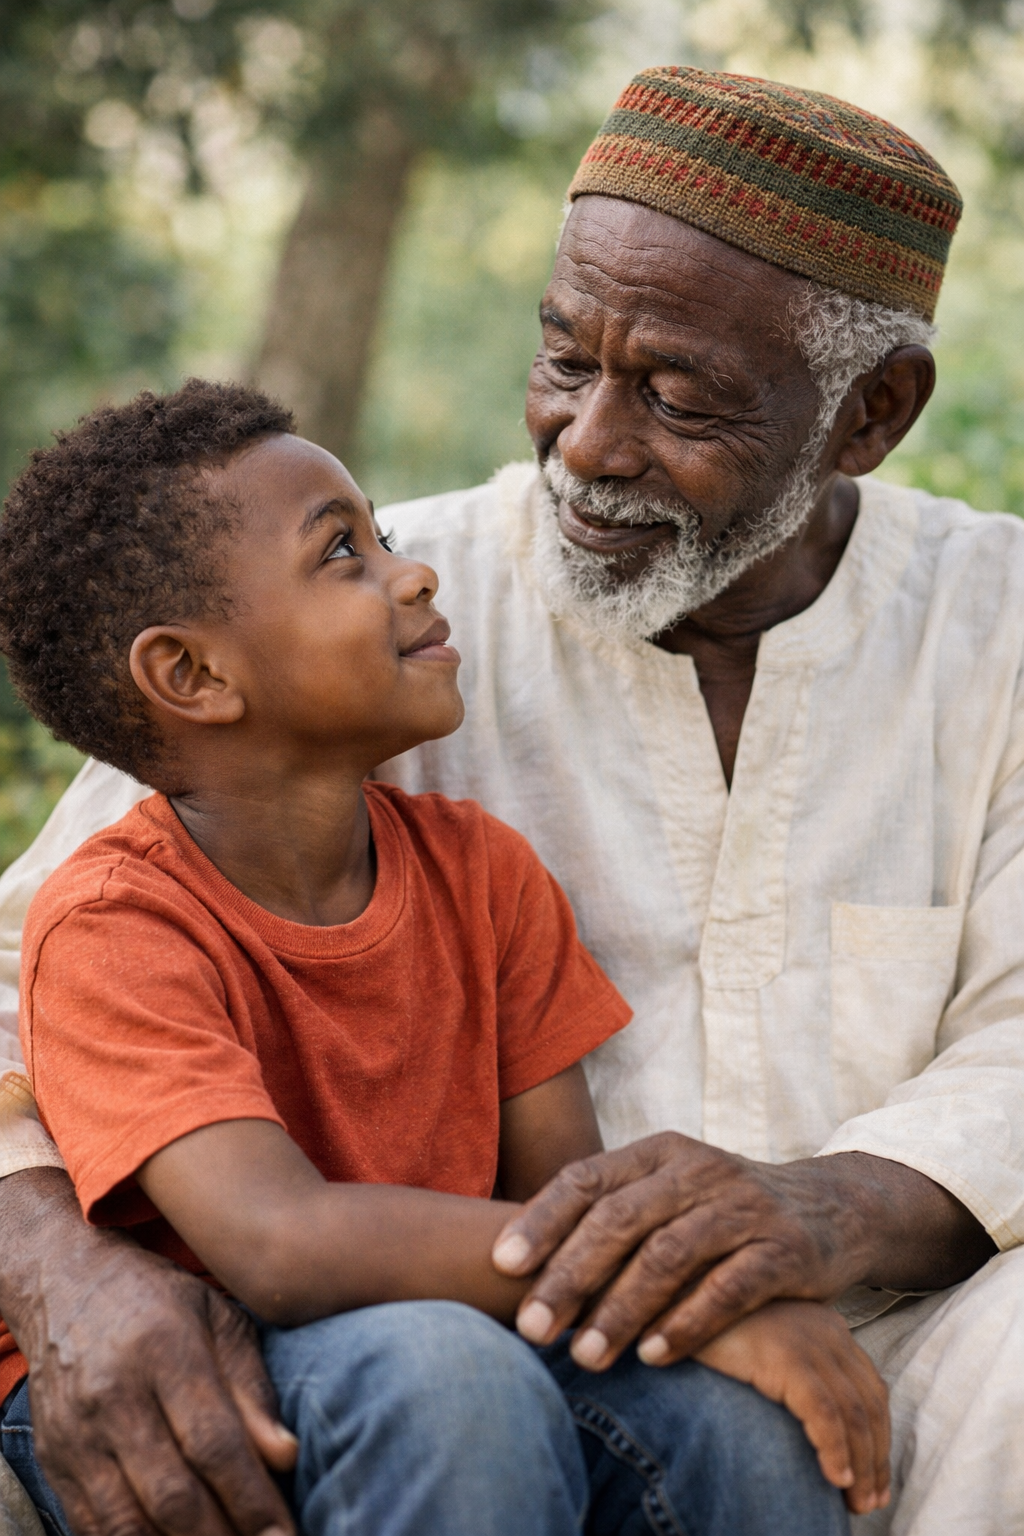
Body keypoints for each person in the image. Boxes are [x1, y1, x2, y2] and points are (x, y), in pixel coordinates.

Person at [0, 62, 1021, 1536]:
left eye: (679, 395)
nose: (591, 444)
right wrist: (54, 1256)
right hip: (488, 1339)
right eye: (563, 361)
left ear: (870, 415)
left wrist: (828, 1208)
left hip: (905, 1338)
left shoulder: (1000, 625)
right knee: (453, 1381)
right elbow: (28, 982)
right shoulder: (360, 637)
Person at [0, 379, 880, 1536]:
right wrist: (711, 1306)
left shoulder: (485, 873)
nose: (412, 574)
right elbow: (277, 1244)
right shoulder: (117, 926)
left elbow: (557, 1197)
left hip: (458, 1342)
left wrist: (679, 1302)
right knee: (446, 1372)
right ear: (195, 677)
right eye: (341, 555)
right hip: (220, 1369)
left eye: (388, 538)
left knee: (740, 1427)